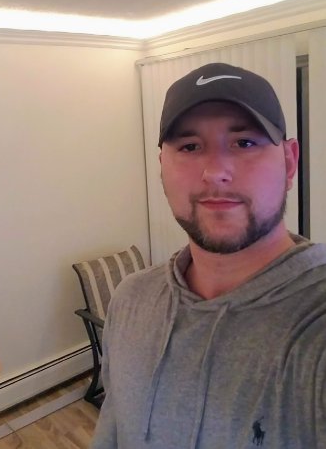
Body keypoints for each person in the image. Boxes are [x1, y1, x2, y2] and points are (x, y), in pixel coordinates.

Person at [91, 63, 326, 448]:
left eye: (244, 143)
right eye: (190, 147)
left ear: (289, 162)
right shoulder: (131, 299)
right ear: (162, 168)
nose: (215, 172)